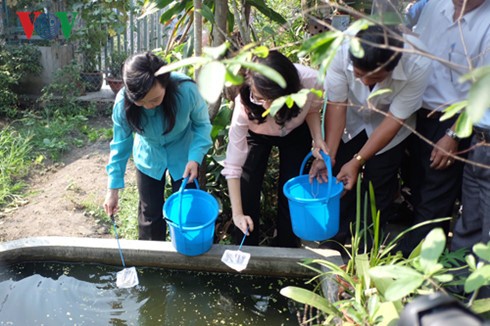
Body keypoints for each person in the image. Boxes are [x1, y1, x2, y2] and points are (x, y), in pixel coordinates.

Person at [309, 25, 432, 247]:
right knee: (337, 178)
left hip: (390, 127)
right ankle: (334, 242)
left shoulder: (418, 62)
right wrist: (329, 157)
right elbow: (338, 104)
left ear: (392, 67)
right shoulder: (340, 49)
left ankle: (365, 246)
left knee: (379, 183)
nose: (365, 82)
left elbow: (395, 118)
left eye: (375, 77)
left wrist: (357, 161)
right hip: (351, 119)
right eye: (358, 75)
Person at [402, 0, 489, 256]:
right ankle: (426, 254)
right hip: (415, 107)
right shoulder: (432, 5)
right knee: (416, 184)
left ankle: (416, 260)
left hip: (454, 120)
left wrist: (453, 134)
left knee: (435, 194)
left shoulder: (486, 23)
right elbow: (402, 22)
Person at [221, 50, 328, 248]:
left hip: (296, 132)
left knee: (292, 187)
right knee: (247, 184)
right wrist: (237, 214)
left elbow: (313, 109)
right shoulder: (245, 102)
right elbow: (234, 164)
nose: (268, 106)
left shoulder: (311, 81)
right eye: (261, 98)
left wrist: (317, 139)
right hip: (257, 133)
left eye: (273, 99)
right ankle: (246, 244)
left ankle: (287, 246)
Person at [103, 52, 213, 241]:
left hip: (185, 155)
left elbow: (202, 125)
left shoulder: (186, 91)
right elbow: (120, 146)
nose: (148, 107)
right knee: (150, 214)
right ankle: (152, 261)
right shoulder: (123, 103)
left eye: (154, 100)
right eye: (140, 101)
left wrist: (195, 157)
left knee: (187, 211)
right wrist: (112, 190)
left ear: (166, 84)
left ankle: (188, 255)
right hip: (149, 155)